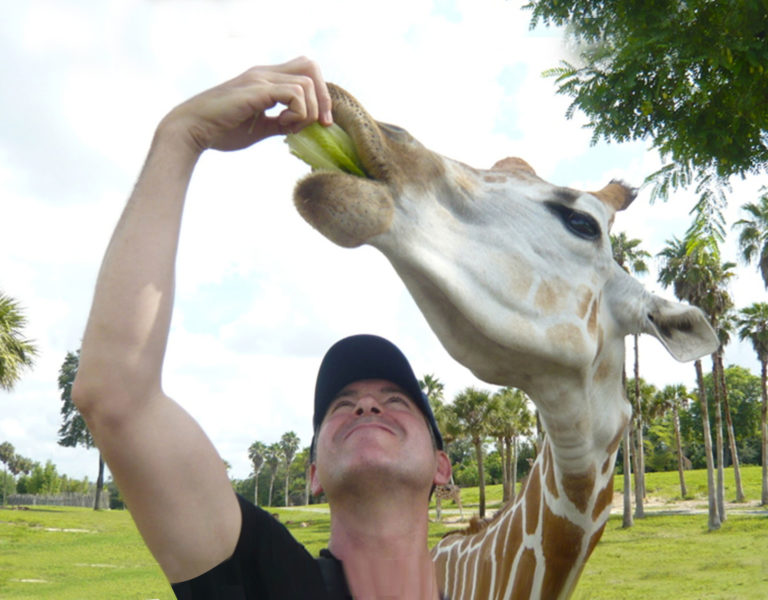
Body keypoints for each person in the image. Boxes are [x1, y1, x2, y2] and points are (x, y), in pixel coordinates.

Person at [72, 57, 452, 600]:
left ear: (441, 466)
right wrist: (182, 136)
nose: (367, 406)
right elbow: (116, 395)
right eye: (342, 405)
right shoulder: (270, 581)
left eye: (395, 400)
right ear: (315, 472)